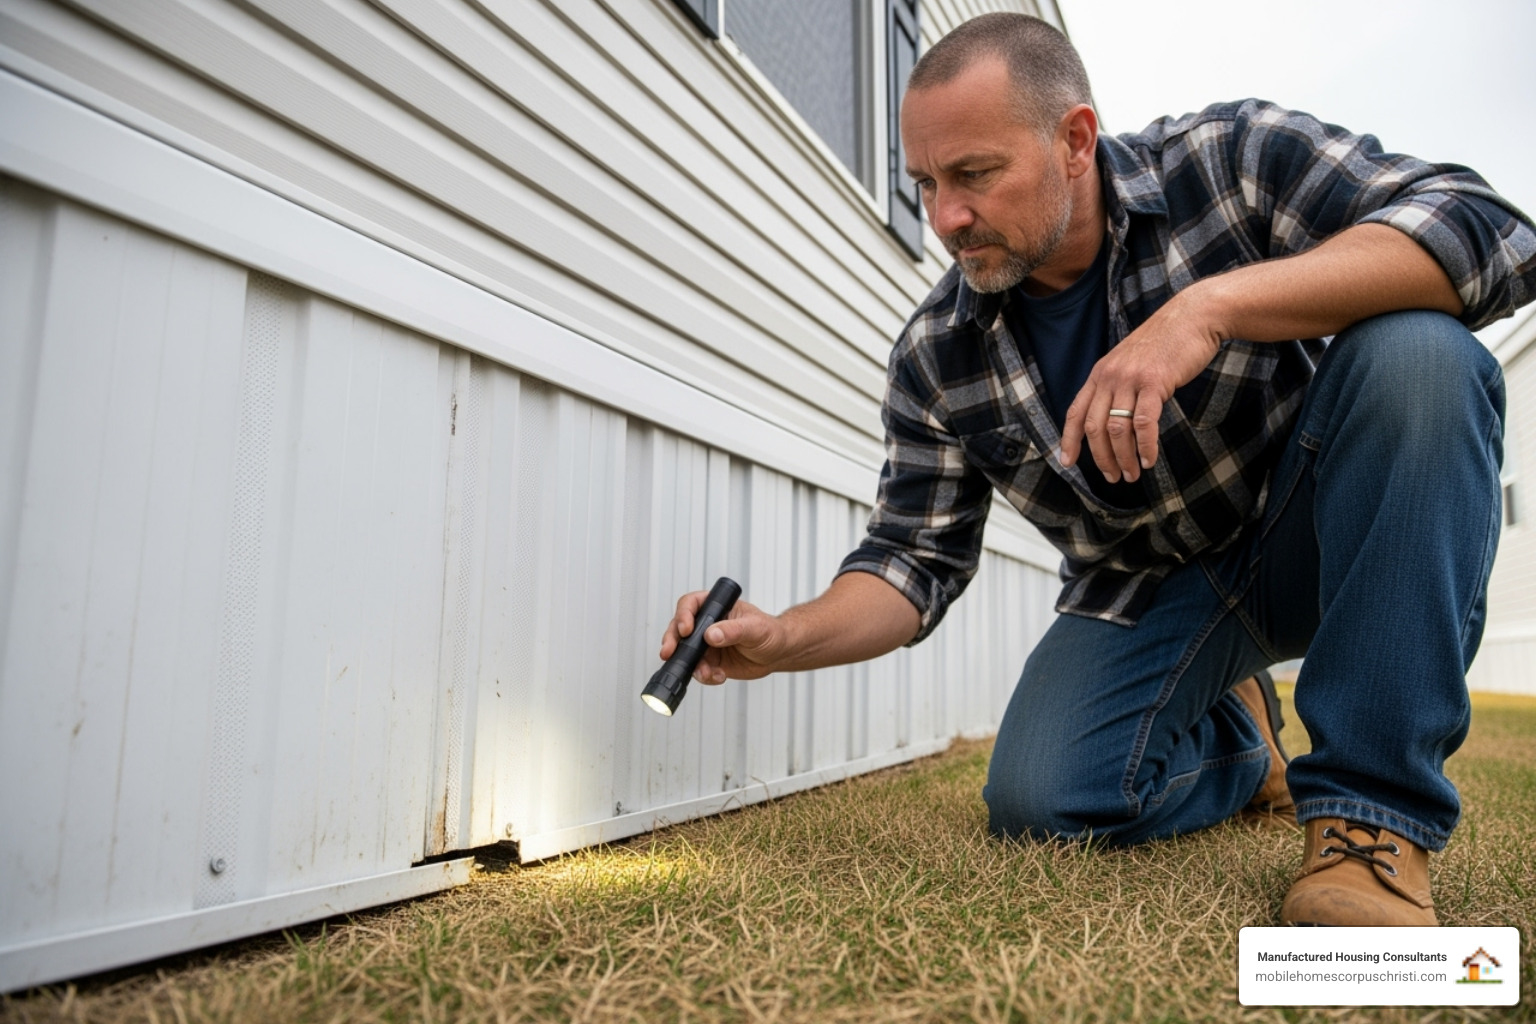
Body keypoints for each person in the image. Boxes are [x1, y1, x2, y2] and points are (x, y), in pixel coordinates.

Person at [660, 13, 1535, 926]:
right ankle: (1243, 743)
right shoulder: (934, 354)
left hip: (1322, 530)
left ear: (1074, 140)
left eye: (974, 175)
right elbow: (911, 561)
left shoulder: (1226, 164)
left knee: (1421, 355)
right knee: (1044, 802)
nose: (945, 218)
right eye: (923, 182)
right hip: (1152, 591)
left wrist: (1209, 309)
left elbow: (1490, 232)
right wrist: (784, 637)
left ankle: (1370, 826)